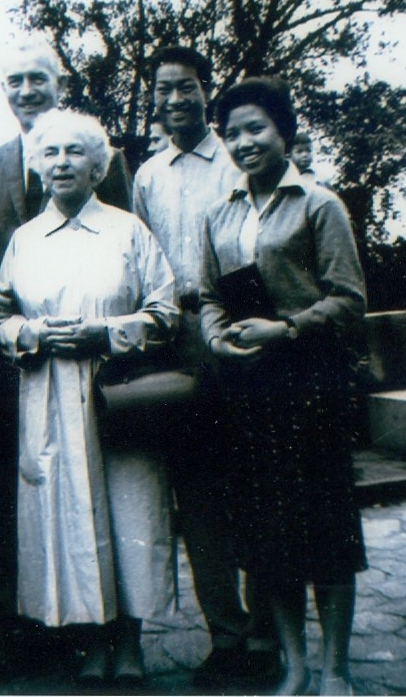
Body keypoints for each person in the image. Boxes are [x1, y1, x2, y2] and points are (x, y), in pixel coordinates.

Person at [0, 38, 133, 674]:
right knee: (18, 493)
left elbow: (127, 239)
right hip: (17, 359)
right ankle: (21, 626)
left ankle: (102, 627)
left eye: (39, 79)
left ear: (60, 84)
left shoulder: (99, 153)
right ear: (4, 91)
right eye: (16, 81)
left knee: (93, 493)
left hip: (91, 360)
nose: (27, 90)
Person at [0, 108, 178, 686]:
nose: (63, 162)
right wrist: (28, 333)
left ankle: (130, 643)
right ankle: (90, 640)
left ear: (97, 168)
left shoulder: (128, 231)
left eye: (76, 153)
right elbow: (1, 318)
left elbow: (166, 312)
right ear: (38, 167)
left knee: (129, 510)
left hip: (115, 393)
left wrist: (108, 333)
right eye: (51, 153)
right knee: (67, 519)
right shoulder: (24, 239)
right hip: (46, 394)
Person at [202, 77, 367, 696]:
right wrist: (217, 337)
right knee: (271, 537)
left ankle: (335, 670)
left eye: (256, 129)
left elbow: (349, 299)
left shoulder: (317, 204)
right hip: (249, 390)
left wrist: (285, 328)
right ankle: (295, 666)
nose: (244, 143)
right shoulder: (218, 214)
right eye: (232, 133)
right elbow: (208, 297)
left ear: (285, 133)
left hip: (310, 382)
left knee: (325, 533)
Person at [132, 46, 280, 688]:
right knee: (196, 497)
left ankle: (272, 632)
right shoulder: (147, 175)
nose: (174, 102)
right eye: (163, 90)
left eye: (186, 88)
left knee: (255, 481)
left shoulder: (237, 156)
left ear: (204, 91)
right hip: (175, 337)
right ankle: (227, 633)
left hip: (240, 327)